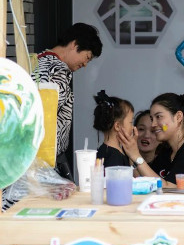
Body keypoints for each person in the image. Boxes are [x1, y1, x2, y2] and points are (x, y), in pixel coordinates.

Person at [32, 23, 102, 179]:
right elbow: (43, 113)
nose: (85, 64)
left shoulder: (36, 61)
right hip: (43, 162)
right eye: (87, 57)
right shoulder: (58, 70)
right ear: (75, 45)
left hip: (31, 156)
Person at [93, 92, 159, 178]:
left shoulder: (104, 150)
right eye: (131, 122)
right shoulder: (114, 156)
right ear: (117, 126)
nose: (132, 127)